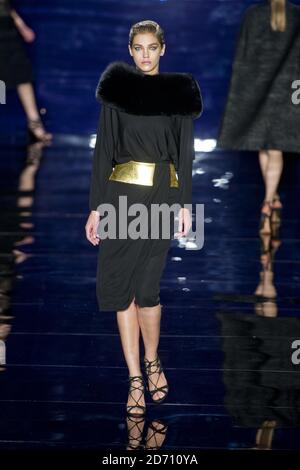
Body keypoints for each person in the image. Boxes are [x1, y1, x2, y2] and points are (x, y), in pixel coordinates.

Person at [85, 20, 202, 417]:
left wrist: (184, 205)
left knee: (148, 290)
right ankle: (135, 377)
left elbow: (185, 154)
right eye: (139, 47)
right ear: (131, 49)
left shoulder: (179, 91)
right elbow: (103, 151)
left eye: (153, 47)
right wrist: (96, 207)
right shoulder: (117, 88)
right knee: (122, 291)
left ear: (163, 49)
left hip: (161, 198)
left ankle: (153, 359)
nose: (146, 54)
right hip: (120, 198)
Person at [217, 0, 300, 234]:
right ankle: (272, 199)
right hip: (288, 91)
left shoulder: (253, 15)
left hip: (260, 90)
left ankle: (268, 200)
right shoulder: (296, 15)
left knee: (266, 146)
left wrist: (243, 93)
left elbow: (244, 59)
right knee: (273, 147)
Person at [0, 0, 52, 141]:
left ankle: (35, 125)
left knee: (22, 75)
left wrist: (20, 25)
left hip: (6, 27)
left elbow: (5, 5)